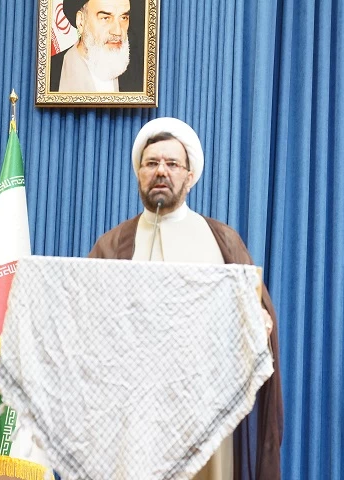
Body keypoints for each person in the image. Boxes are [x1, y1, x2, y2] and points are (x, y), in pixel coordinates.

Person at [88, 117, 283, 480]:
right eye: (151, 163)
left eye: (172, 164)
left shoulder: (222, 240)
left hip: (204, 413)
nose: (161, 171)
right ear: (139, 173)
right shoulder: (113, 244)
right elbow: (86, 324)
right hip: (131, 418)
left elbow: (255, 317)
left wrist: (259, 324)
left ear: (189, 176)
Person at [50, 0, 140, 92]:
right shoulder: (48, 74)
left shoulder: (141, 72)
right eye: (105, 18)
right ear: (81, 21)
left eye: (124, 18)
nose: (118, 31)